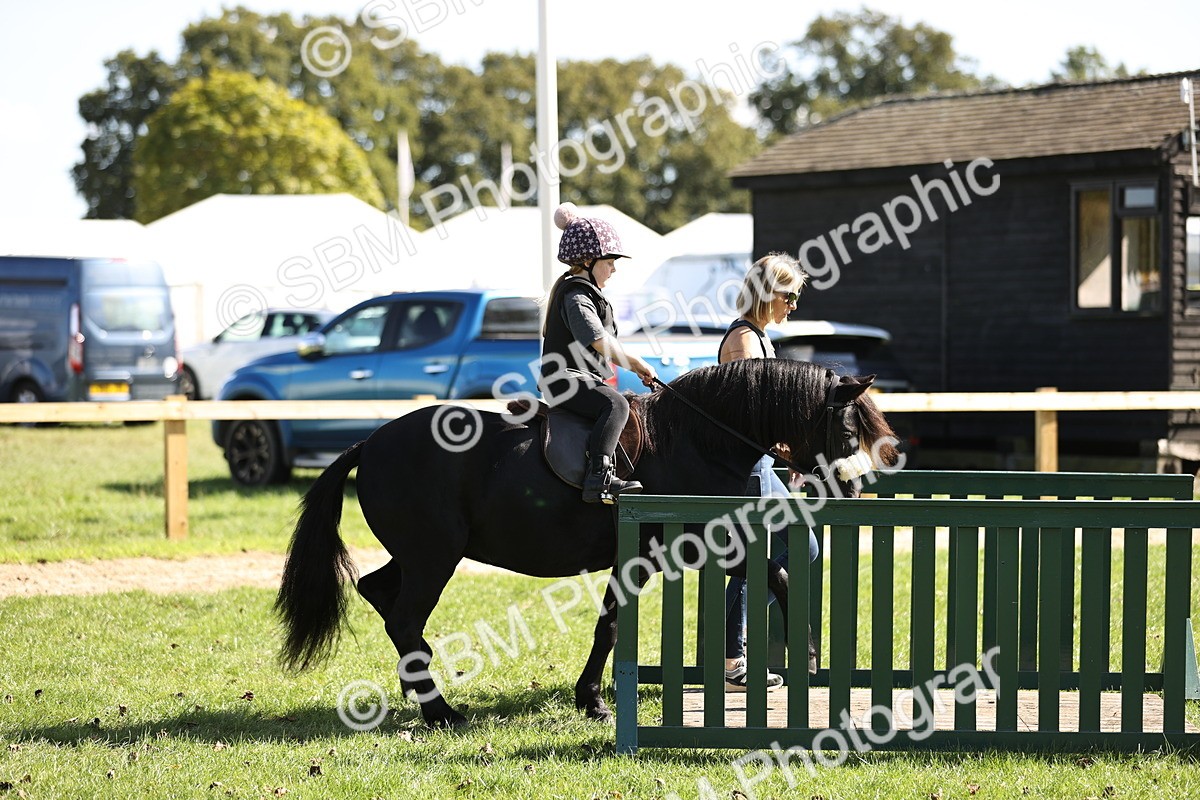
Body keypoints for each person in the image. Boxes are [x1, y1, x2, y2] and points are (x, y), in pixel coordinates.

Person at [718, 252, 820, 690]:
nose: (793, 305)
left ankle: (730, 649)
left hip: (761, 463)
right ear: (767, 293)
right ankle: (732, 660)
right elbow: (748, 412)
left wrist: (788, 450)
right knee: (758, 559)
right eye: (789, 296)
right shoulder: (744, 338)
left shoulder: (759, 337)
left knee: (801, 546)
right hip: (748, 466)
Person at [539, 203, 658, 504]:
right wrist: (636, 363)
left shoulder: (584, 291)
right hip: (565, 379)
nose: (614, 268)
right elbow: (597, 340)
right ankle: (599, 478)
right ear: (588, 260)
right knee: (616, 405)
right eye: (610, 262)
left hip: (576, 377)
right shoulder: (576, 294)